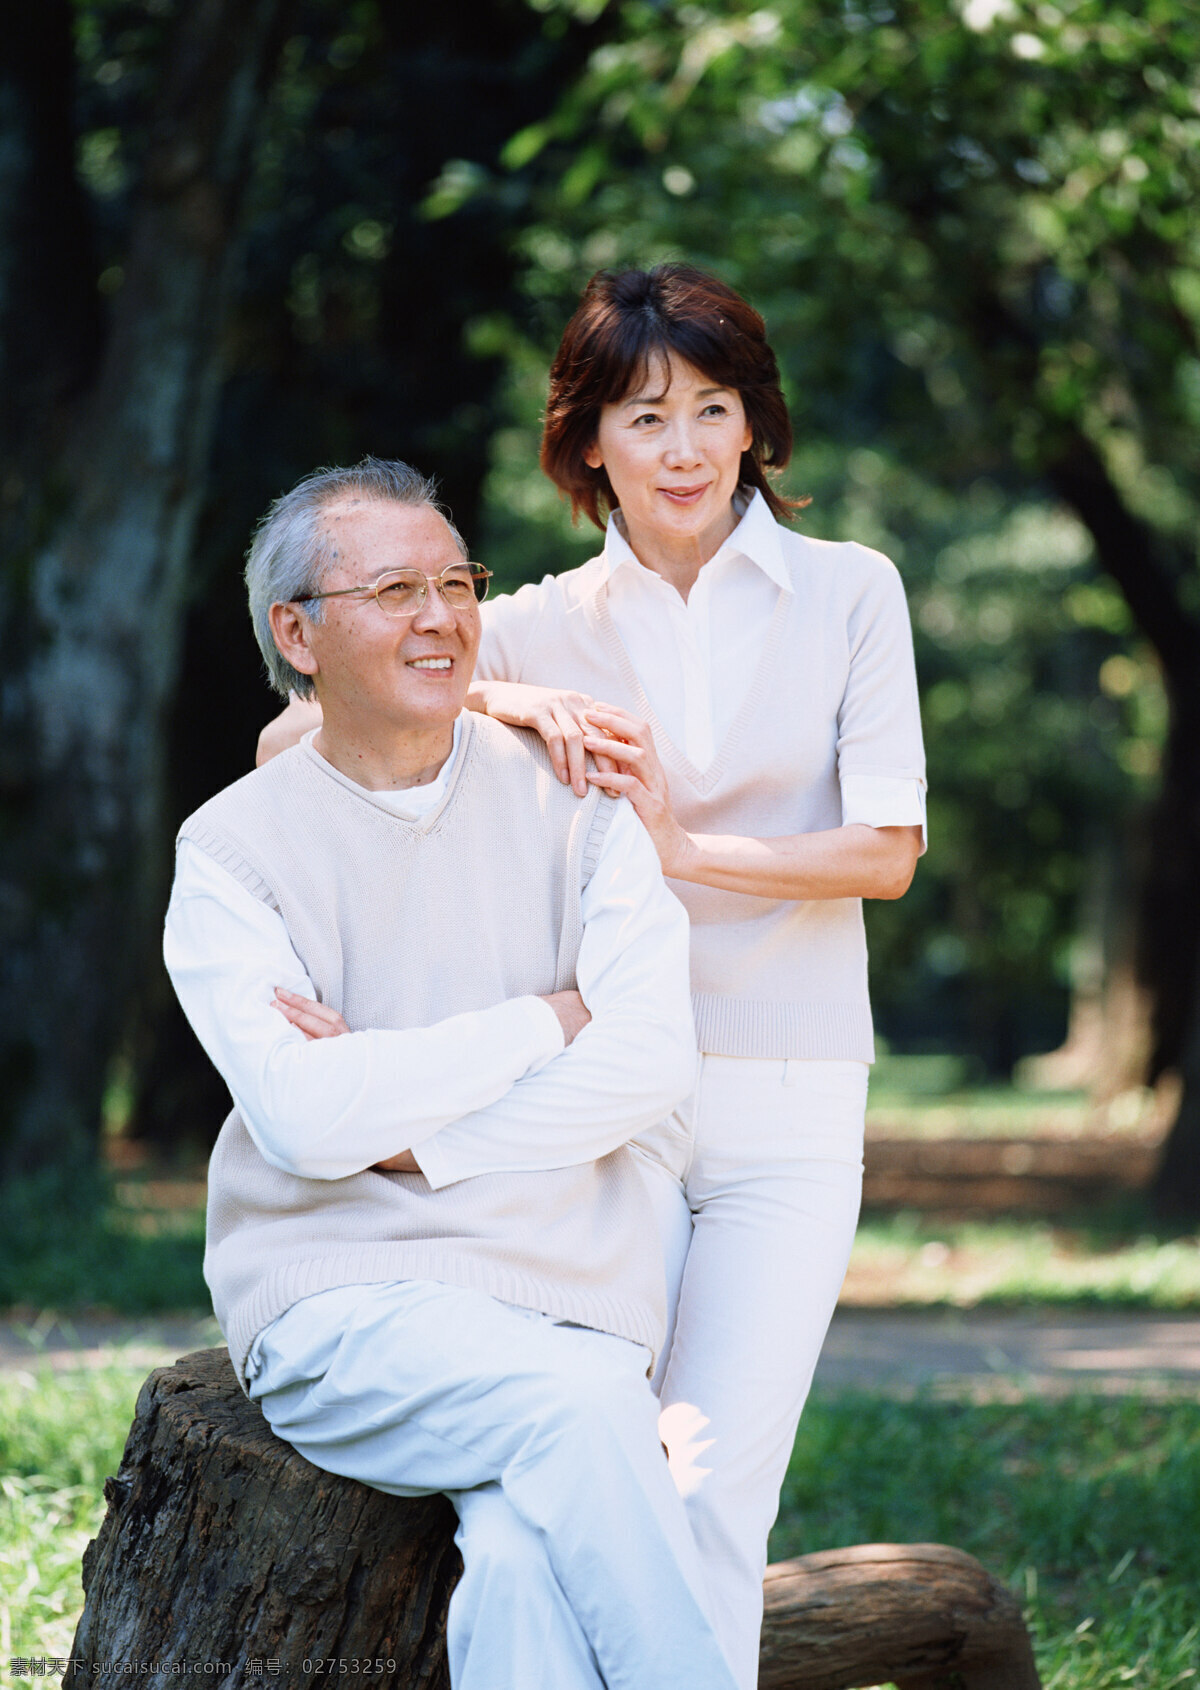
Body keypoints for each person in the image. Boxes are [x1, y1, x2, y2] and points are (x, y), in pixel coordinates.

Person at [260, 265, 926, 1689]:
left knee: (692, 1493)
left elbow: (881, 853)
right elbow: (288, 745)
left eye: (711, 409)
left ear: (755, 427)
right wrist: (501, 694)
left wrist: (681, 842)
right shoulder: (534, 623)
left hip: (783, 1100)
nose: (681, 449)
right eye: (644, 416)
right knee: (519, 1515)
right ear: (588, 443)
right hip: (594, 1117)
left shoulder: (850, 591)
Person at [164, 457, 738, 1690]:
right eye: (393, 589)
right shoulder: (230, 853)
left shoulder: (579, 799)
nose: (441, 615)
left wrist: (421, 1133)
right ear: (296, 632)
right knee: (581, 1411)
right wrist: (541, 1018)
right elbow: (311, 1122)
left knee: (530, 1566)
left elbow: (647, 1061)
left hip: (572, 1281)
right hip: (343, 1300)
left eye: (455, 580)